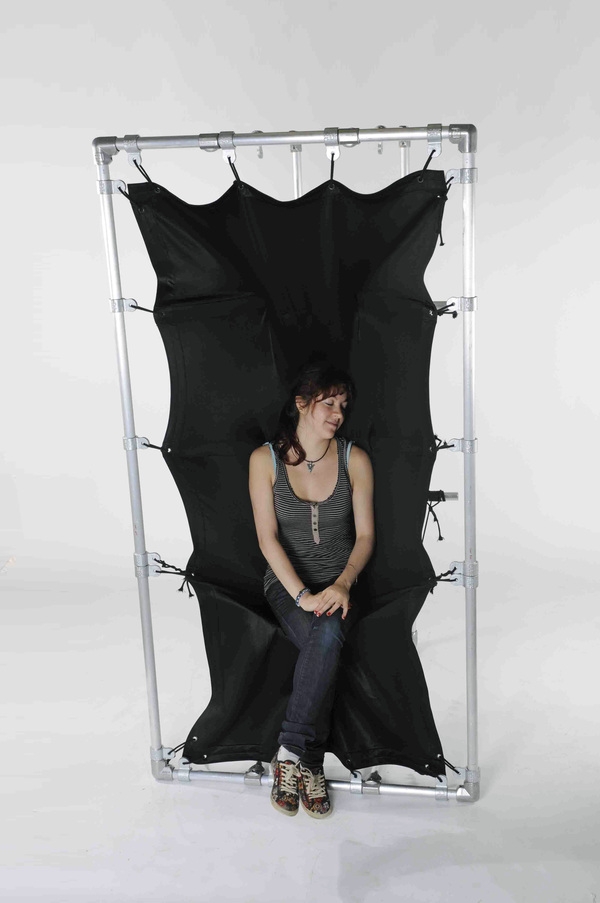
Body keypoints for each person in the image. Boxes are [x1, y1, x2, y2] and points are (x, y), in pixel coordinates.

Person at [248, 362, 375, 819]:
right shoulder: (263, 460)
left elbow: (365, 537)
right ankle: (312, 762)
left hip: (341, 584)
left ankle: (290, 754)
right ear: (301, 403)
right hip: (287, 586)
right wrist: (303, 596)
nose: (338, 413)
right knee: (326, 639)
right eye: (328, 403)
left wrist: (342, 583)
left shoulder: (354, 459)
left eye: (343, 405)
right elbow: (267, 540)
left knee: (326, 636)